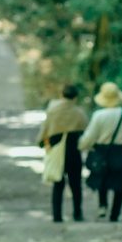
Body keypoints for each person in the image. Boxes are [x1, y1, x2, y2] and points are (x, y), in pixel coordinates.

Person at [80, 82, 122, 221]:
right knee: (119, 184)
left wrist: (82, 146)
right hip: (121, 152)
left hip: (102, 152)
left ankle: (103, 205)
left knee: (102, 178)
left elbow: (90, 136)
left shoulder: (99, 115)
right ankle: (115, 214)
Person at [37, 84, 89, 222]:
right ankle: (77, 213)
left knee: (58, 183)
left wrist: (42, 143)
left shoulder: (53, 111)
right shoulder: (79, 112)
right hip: (73, 150)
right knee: (76, 183)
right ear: (76, 97)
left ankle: (57, 215)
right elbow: (86, 130)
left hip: (57, 150)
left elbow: (44, 131)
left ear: (61, 95)